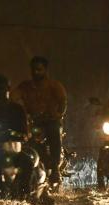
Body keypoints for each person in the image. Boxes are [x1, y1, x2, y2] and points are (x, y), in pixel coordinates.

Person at [16, 56, 67, 186]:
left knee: (54, 133)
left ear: (45, 70)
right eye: (34, 69)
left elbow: (63, 102)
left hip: (50, 121)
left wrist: (58, 115)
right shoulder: (25, 86)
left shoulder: (54, 86)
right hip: (33, 122)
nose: (36, 72)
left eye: (39, 69)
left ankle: (55, 168)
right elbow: (13, 97)